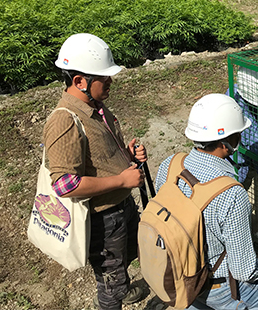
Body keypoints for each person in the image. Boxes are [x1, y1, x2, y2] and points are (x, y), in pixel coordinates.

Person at [155, 93, 258, 310]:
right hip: (219, 287)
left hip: (179, 273)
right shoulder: (231, 193)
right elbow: (243, 271)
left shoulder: (169, 166)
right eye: (239, 134)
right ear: (230, 141)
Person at [43, 33, 148, 310]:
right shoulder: (64, 120)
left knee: (124, 260)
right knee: (109, 283)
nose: (111, 81)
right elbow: (65, 184)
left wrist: (127, 156)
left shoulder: (94, 106)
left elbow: (99, 157)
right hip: (103, 220)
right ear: (79, 81)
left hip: (120, 207)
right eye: (105, 77)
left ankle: (123, 290)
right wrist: (121, 179)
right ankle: (114, 298)